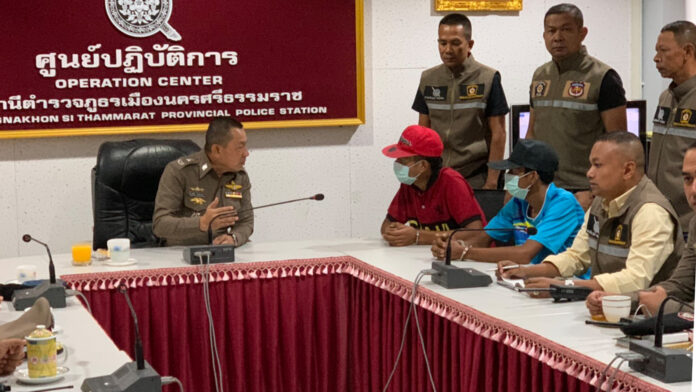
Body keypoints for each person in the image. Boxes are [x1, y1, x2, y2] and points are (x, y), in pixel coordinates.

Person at [497, 132, 682, 296]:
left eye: (598, 165)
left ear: (628, 170)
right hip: (603, 306)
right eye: (590, 165)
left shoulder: (651, 211)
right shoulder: (601, 202)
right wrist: (526, 271)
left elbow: (635, 280)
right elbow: (577, 256)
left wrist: (565, 286)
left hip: (649, 320)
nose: (589, 173)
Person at [431, 139, 586, 274]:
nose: (508, 176)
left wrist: (465, 253)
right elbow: (483, 239)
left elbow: (525, 254)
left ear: (532, 176)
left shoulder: (563, 203)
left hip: (565, 283)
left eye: (514, 171)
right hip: (526, 277)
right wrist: (450, 247)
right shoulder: (519, 202)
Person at [527, 3, 627, 210]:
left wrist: (596, 192)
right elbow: (532, 133)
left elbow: (619, 145)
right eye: (551, 30)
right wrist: (519, 184)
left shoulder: (603, 77)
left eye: (566, 29)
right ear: (544, 35)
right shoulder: (540, 76)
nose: (558, 37)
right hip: (544, 189)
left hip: (583, 192)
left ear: (582, 33)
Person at [587, 143, 696, 316]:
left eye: (598, 165)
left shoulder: (652, 209)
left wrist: (664, 307)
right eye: (688, 179)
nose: (693, 190)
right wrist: (618, 300)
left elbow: (657, 294)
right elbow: (681, 286)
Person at [412, 13, 508, 189]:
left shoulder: (488, 78)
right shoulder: (428, 79)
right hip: (437, 177)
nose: (448, 50)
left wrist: (492, 181)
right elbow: (423, 132)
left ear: (469, 45)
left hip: (475, 178)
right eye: (442, 43)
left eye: (455, 43)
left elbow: (499, 134)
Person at [153, 117, 253, 246]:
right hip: (180, 253)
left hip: (222, 253)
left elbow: (246, 222)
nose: (246, 153)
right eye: (240, 147)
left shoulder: (239, 175)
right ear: (217, 150)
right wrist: (201, 223)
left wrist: (233, 237)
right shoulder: (179, 171)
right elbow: (160, 225)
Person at [381, 125, 486, 247]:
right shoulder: (409, 185)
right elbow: (386, 225)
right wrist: (393, 232)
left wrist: (418, 236)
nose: (397, 163)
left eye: (403, 160)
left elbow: (476, 233)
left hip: (466, 258)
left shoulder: (451, 182)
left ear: (423, 166)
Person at [648, 21, 696, 229]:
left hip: (688, 221)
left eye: (663, 51)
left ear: (687, 51)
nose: (656, 58)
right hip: (660, 218)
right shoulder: (665, 97)